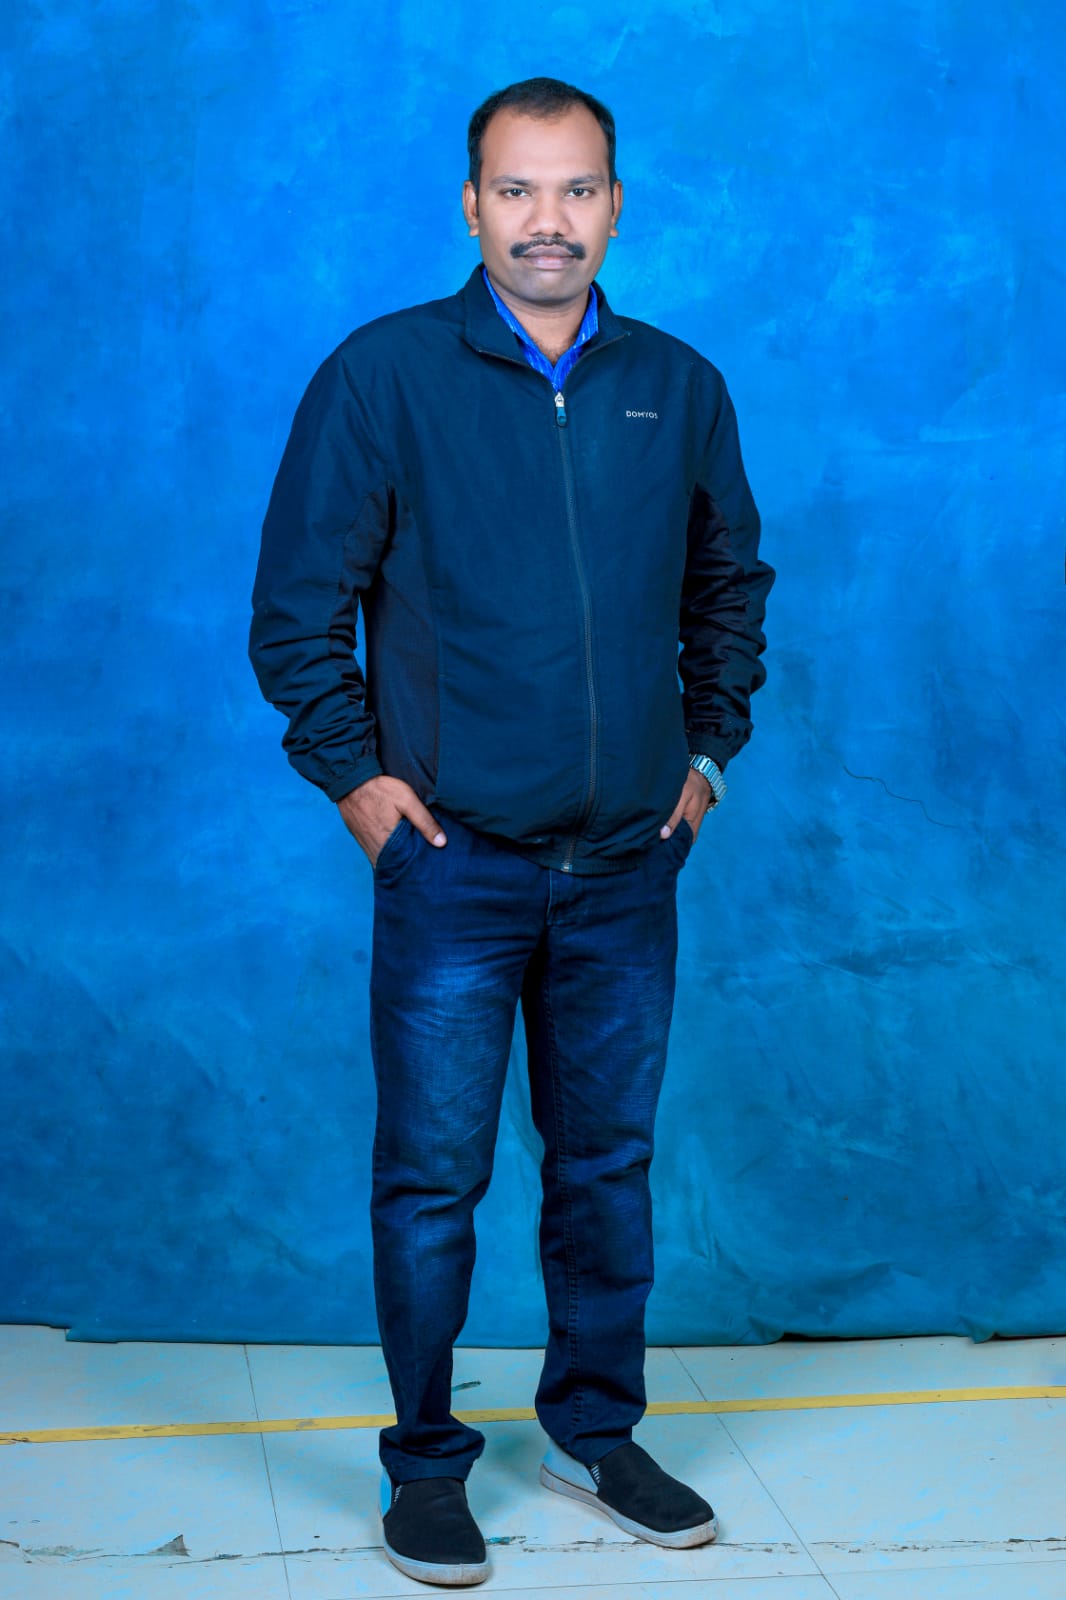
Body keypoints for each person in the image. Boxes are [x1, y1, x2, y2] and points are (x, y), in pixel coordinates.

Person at [249, 75, 774, 1589]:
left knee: (605, 1168)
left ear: (616, 206)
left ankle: (595, 1433)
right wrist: (360, 788)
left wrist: (707, 755)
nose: (550, 220)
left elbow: (729, 585)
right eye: (519, 189)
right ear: (471, 206)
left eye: (577, 189)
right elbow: (296, 610)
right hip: (453, 868)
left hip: (625, 870)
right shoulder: (384, 376)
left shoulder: (677, 384)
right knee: (432, 1181)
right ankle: (426, 1466)